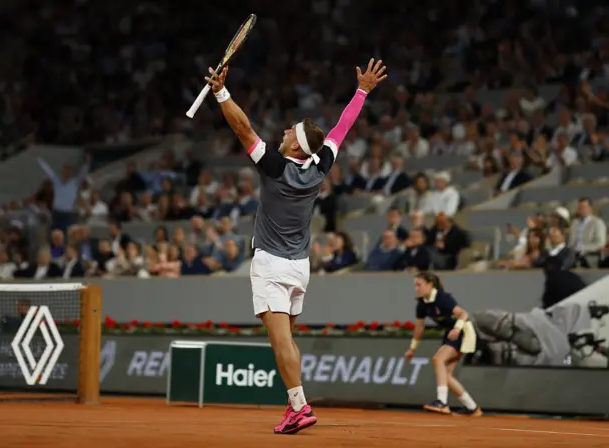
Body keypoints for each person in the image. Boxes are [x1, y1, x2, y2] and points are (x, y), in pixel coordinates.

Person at [204, 58, 387, 434]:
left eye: (291, 131)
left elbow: (242, 127)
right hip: (300, 267)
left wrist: (221, 91)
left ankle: (300, 407)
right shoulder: (318, 167)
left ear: (296, 146)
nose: (286, 130)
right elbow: (342, 128)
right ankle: (294, 406)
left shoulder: (274, 166)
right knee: (287, 340)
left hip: (271, 265)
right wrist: (362, 92)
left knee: (281, 343)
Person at [405, 271, 483, 416]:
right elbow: (419, 328)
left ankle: (442, 402)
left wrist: (457, 328)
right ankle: (472, 408)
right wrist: (412, 348)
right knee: (445, 374)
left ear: (430, 284)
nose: (416, 288)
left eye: (419, 285)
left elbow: (464, 314)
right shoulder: (421, 304)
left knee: (438, 359)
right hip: (451, 334)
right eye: (415, 285)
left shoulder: (442, 298)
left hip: (463, 332)